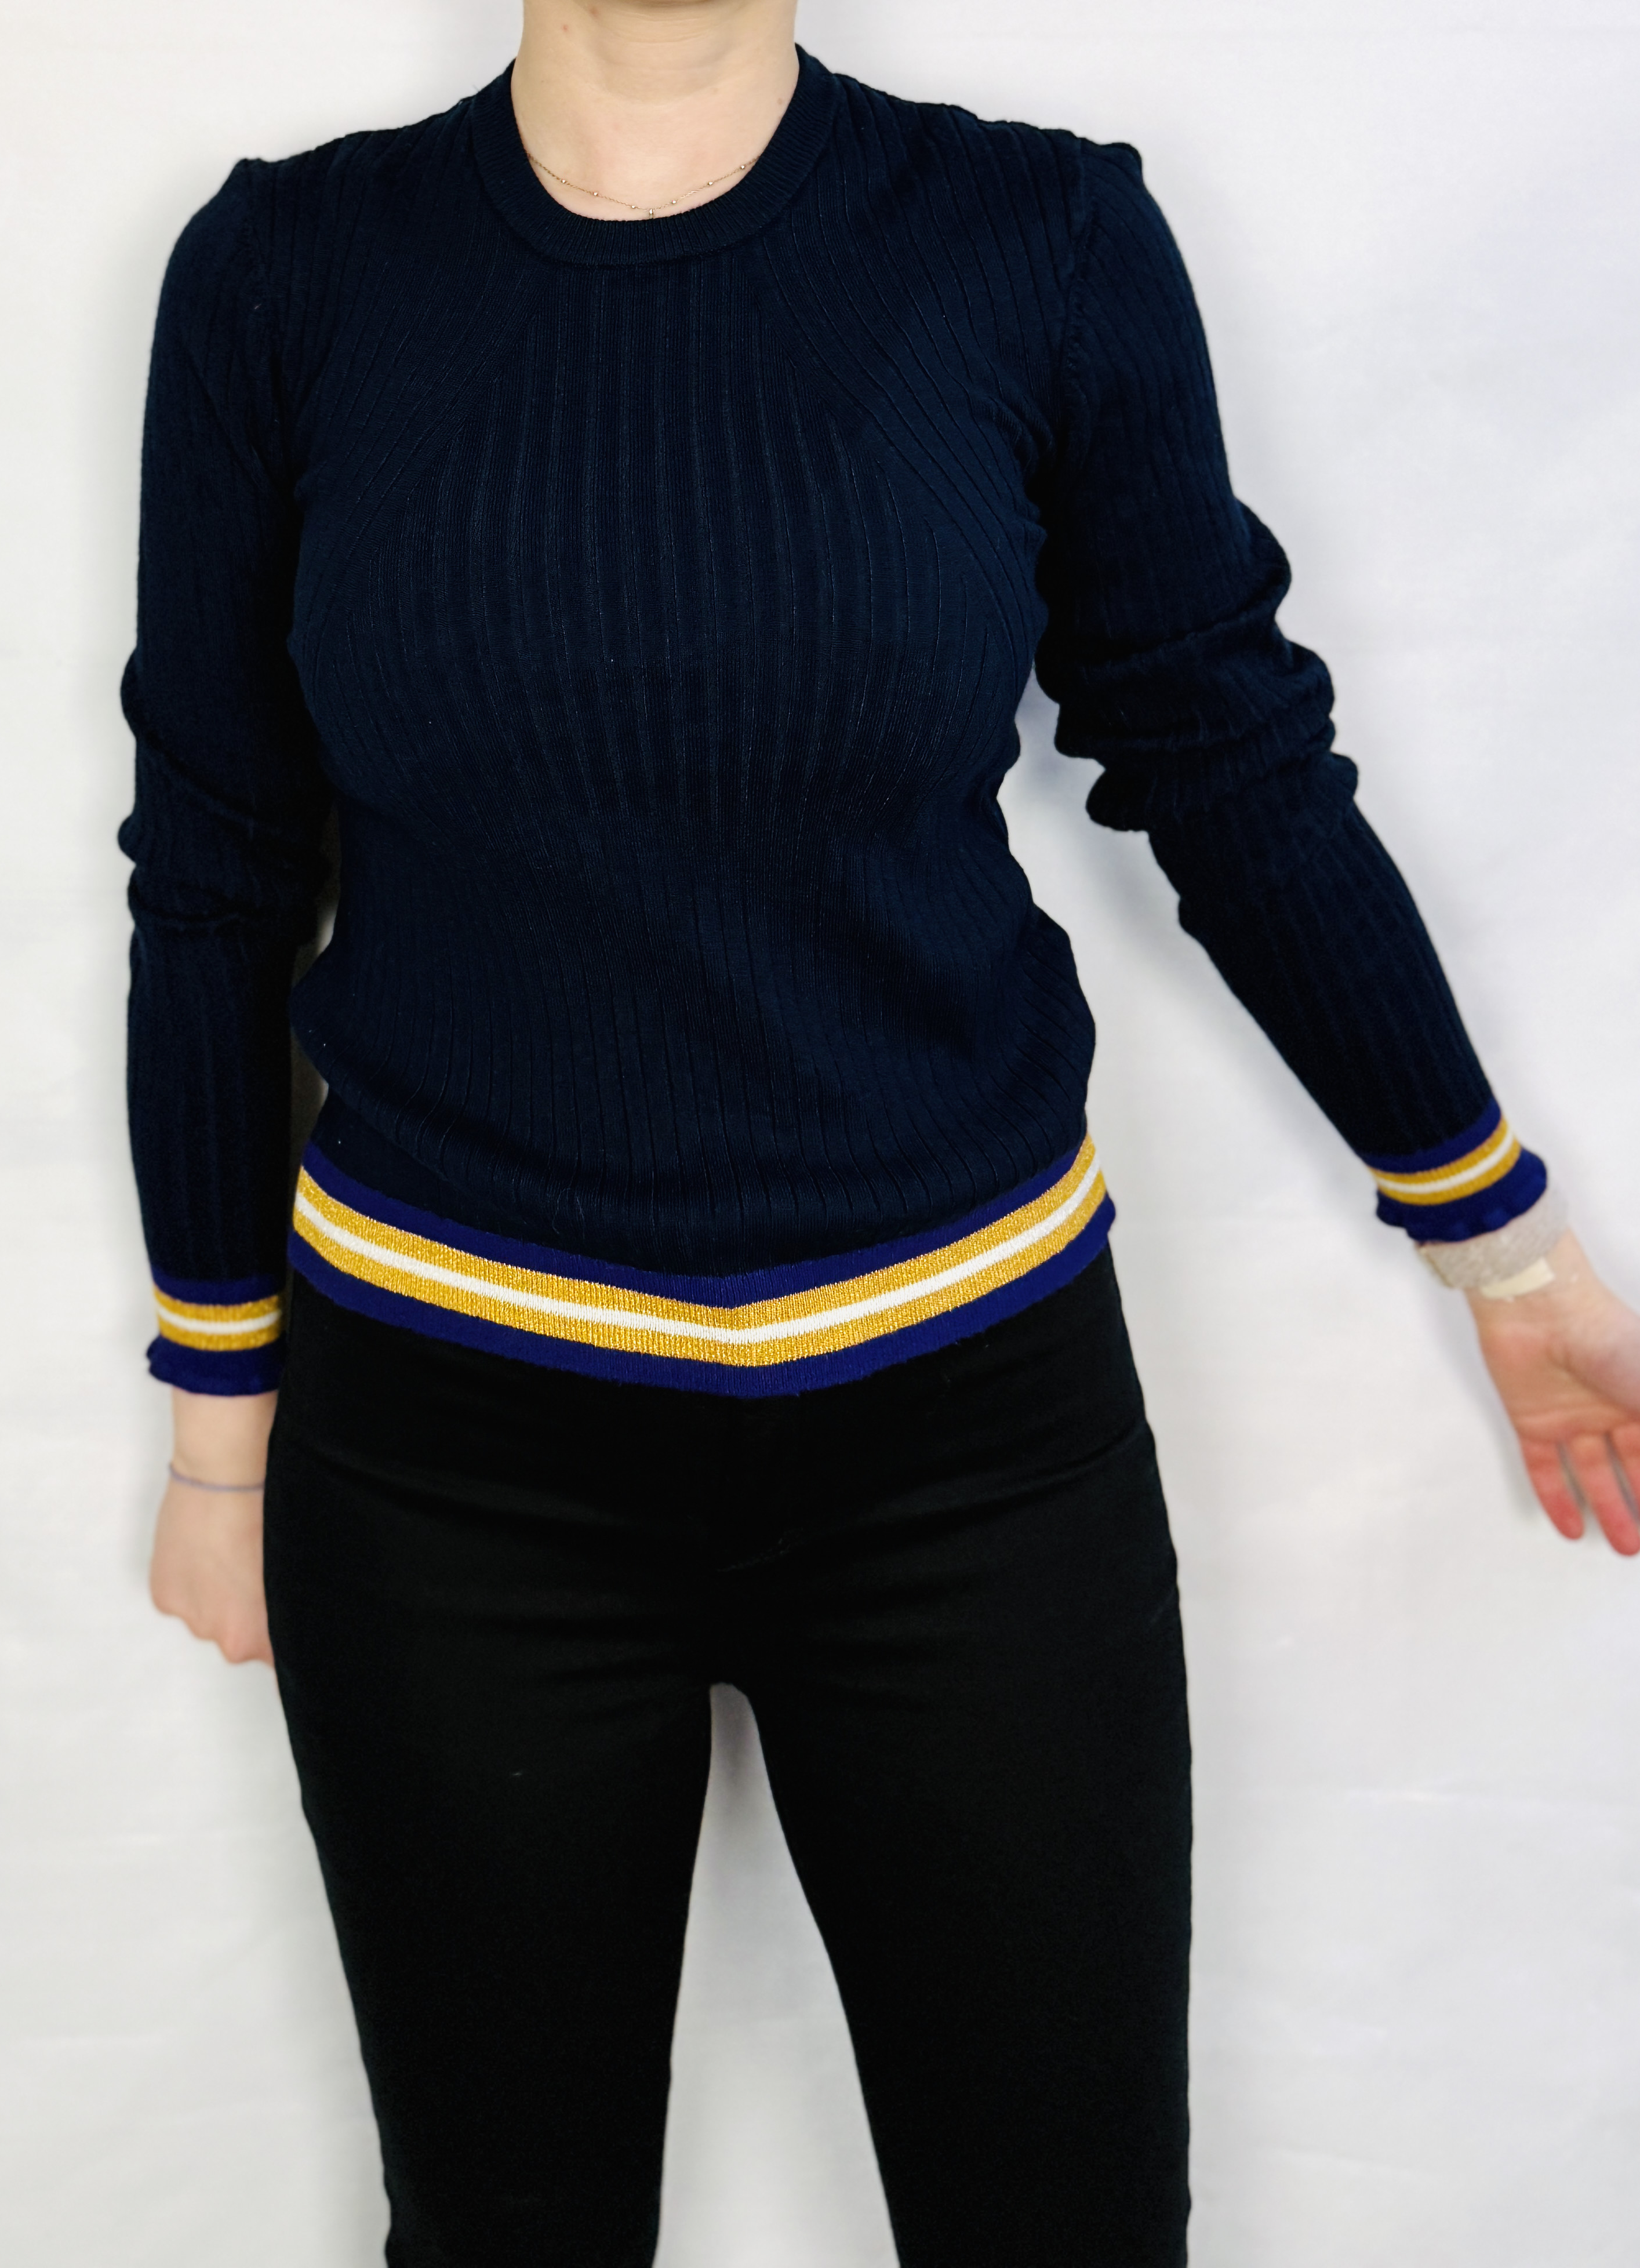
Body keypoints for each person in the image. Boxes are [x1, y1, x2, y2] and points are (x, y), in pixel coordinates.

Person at [117, 3, 1640, 2260]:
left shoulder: (1033, 240)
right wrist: (219, 1428)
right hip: (449, 1474)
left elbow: (1219, 757)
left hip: (965, 1451)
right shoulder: (285, 276)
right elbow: (217, 863)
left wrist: (1499, 1247)